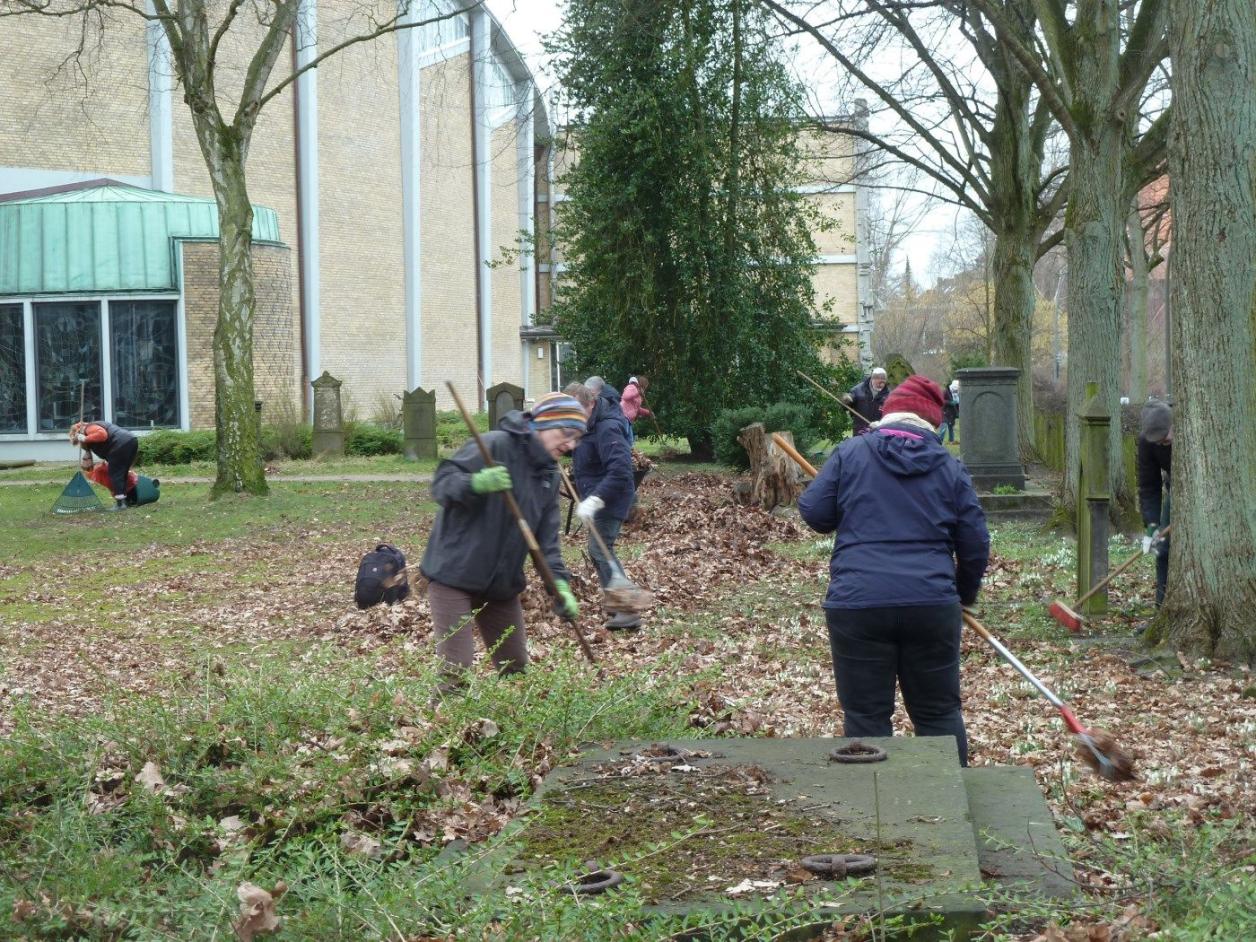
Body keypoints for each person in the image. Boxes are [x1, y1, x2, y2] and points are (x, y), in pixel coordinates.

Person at [798, 374, 990, 766]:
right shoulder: (949, 468)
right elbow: (975, 542)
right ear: (932, 423)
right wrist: (963, 595)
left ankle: (876, 816)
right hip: (930, 604)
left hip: (859, 603)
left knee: (866, 716)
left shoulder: (850, 454)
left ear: (888, 412)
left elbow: (816, 513)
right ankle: (953, 806)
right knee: (938, 713)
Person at [420, 391, 586, 685]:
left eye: (576, 438)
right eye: (566, 433)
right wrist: (475, 483)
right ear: (543, 424)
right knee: (456, 668)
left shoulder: (549, 474)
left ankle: (514, 728)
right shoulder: (494, 445)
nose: (570, 444)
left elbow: (546, 541)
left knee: (516, 670)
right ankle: (442, 728)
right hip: (453, 573)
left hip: (501, 584)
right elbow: (442, 484)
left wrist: (559, 583)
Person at [572, 376, 639, 630]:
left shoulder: (607, 426)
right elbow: (581, 448)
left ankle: (627, 609)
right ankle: (617, 604)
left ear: (590, 403)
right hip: (598, 494)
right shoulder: (588, 423)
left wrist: (596, 499)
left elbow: (621, 472)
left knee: (601, 548)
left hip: (612, 496)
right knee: (597, 549)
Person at [1137, 399, 1172, 610]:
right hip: (1175, 490)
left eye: (1166, 440)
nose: (1162, 444)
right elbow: (1149, 485)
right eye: (1158, 442)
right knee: (1164, 550)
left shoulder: (1190, 423)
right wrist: (1151, 524)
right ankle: (1162, 610)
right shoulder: (1147, 442)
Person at [69, 420, 138, 510]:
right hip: (130, 441)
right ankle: (127, 500)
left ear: (78, 431)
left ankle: (120, 504)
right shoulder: (91, 432)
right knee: (122, 473)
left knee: (115, 474)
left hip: (119, 444)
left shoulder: (89, 428)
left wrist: (85, 438)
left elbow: (102, 435)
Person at [842, 367, 890, 435]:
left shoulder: (889, 396)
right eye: (879, 383)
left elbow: (891, 417)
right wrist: (846, 400)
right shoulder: (858, 390)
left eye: (883, 383)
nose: (881, 385)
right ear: (872, 379)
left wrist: (880, 424)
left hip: (878, 434)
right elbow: (846, 406)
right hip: (859, 433)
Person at [620, 376, 653, 446]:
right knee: (624, 438)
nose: (645, 388)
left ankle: (629, 455)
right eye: (645, 386)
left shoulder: (639, 395)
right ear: (642, 384)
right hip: (623, 416)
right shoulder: (631, 387)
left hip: (629, 419)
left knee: (630, 441)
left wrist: (648, 412)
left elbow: (637, 409)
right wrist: (638, 392)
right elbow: (625, 396)